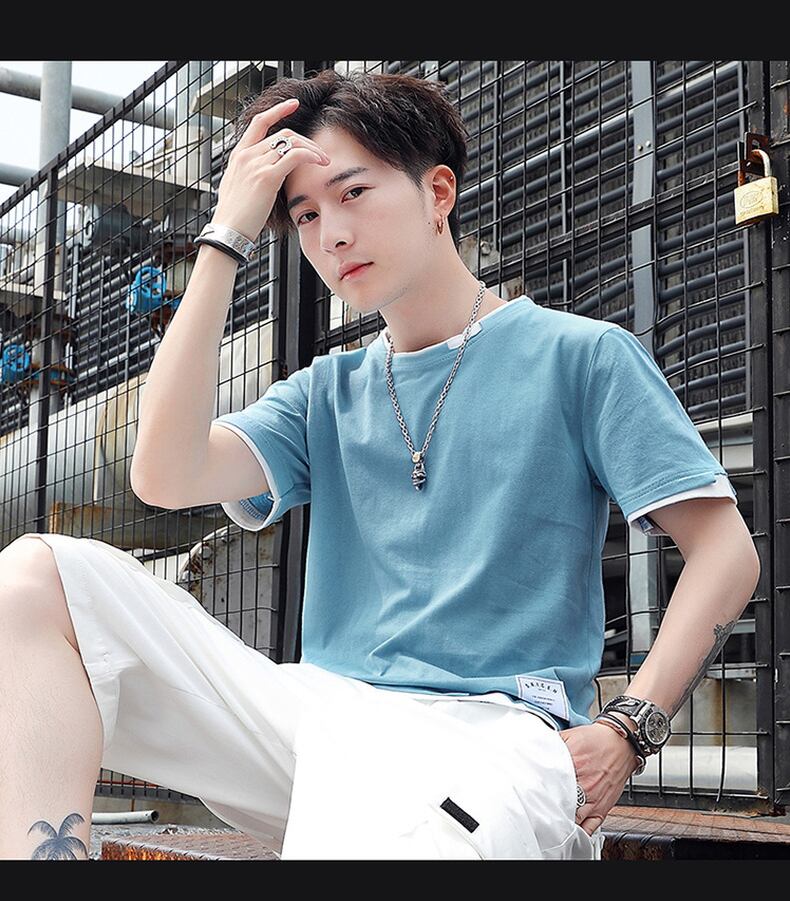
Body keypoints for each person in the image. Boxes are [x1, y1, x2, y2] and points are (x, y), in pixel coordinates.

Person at [0, 69, 759, 860]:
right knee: (34, 579)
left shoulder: (583, 356)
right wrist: (225, 235)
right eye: (305, 215)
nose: (330, 234)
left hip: (495, 734)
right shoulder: (325, 392)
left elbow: (725, 551)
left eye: (353, 193)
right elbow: (163, 474)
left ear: (438, 193)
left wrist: (631, 725)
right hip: (319, 718)